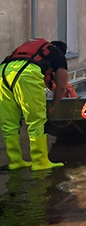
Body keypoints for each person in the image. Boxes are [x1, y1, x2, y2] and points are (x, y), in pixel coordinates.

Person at [0, 39, 68, 170]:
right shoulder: (59, 56)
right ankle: (40, 162)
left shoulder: (36, 50)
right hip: (26, 74)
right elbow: (61, 87)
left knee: (9, 123)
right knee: (36, 120)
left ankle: (15, 162)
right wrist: (53, 107)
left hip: (3, 72)